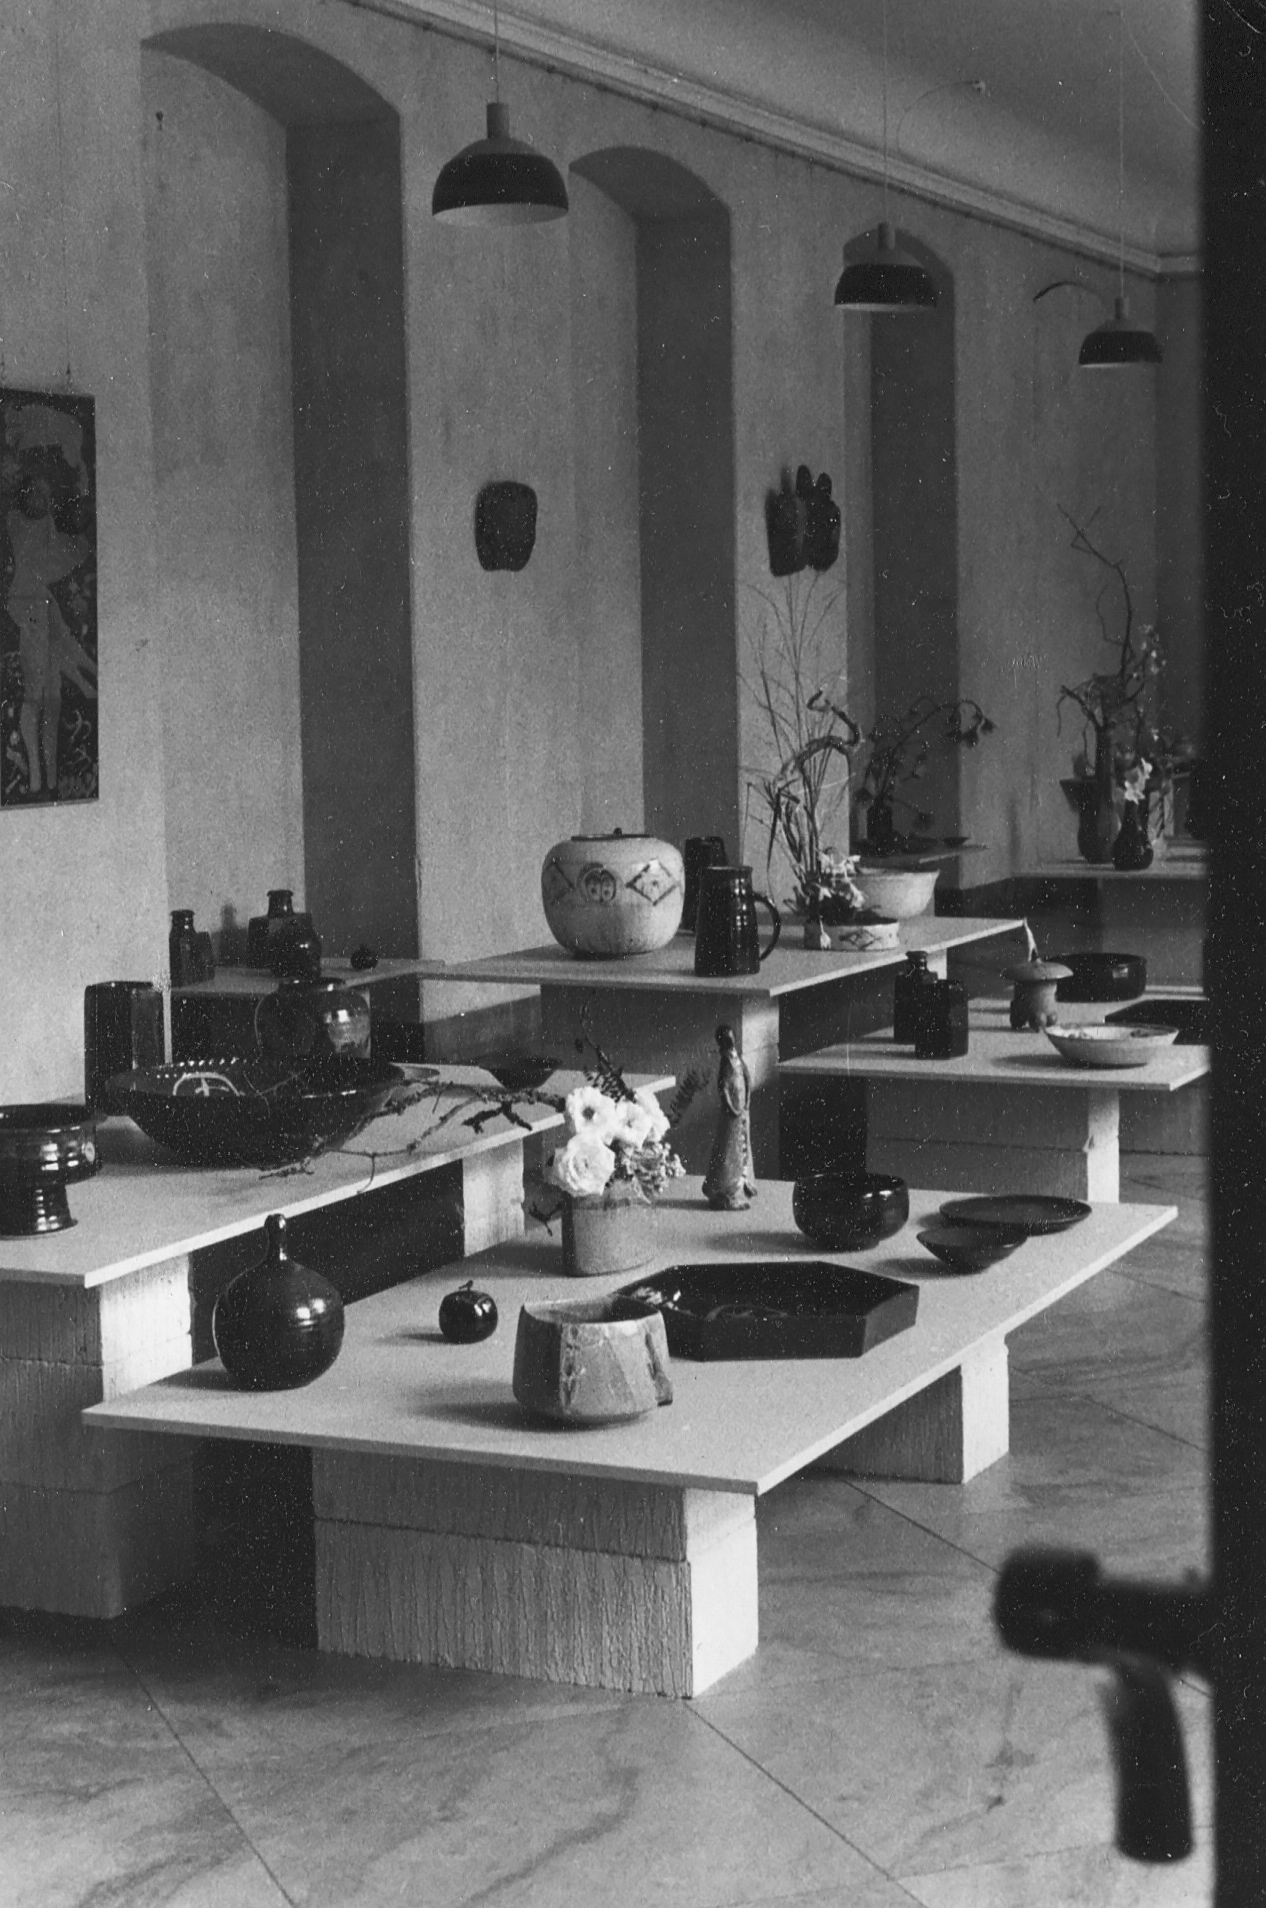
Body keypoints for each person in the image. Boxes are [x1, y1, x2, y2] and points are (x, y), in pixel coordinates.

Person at [4, 460, 95, 796]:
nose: (43, 498)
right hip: (28, 605)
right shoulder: (18, 521)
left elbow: (56, 556)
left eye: (46, 494)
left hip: (40, 605)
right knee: (37, 693)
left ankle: (49, 779)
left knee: (51, 694)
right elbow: (48, 559)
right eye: (36, 492)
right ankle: (37, 777)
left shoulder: (41, 525)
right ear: (26, 494)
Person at [702, 1023, 757, 1211]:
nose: (731, 1040)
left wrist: (747, 1100)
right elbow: (723, 1086)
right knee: (728, 1149)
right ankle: (726, 1191)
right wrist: (731, 1107)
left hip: (742, 1111)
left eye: (732, 1036)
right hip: (732, 1114)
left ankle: (741, 1187)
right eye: (727, 1038)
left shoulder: (737, 1058)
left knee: (742, 1147)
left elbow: (747, 1078)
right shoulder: (725, 1061)